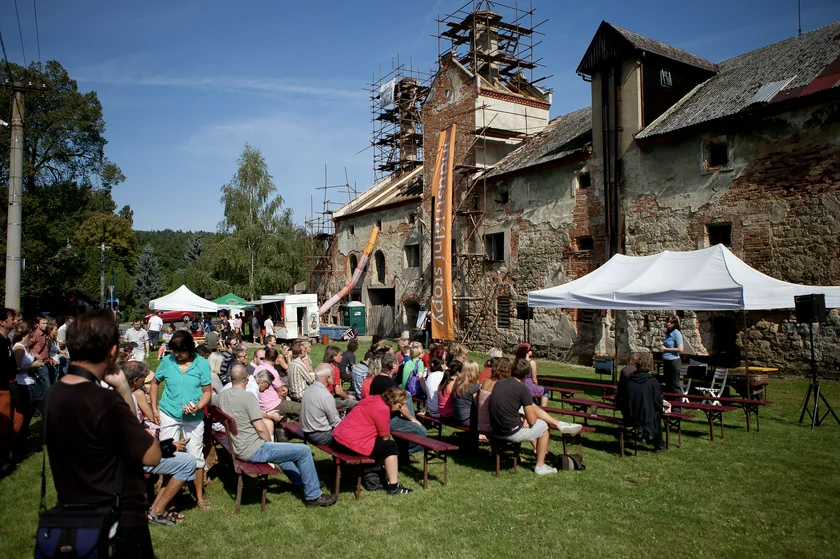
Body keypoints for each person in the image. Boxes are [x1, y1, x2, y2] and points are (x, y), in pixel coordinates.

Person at [44, 309, 162, 556]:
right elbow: (151, 455)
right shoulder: (105, 402)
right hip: (116, 520)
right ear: (112, 351)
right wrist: (123, 390)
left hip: (72, 514)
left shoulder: (53, 394)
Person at [212, 365, 337, 507]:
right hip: (252, 450)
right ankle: (313, 496)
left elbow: (210, 403)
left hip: (237, 447)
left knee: (283, 453)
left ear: (230, 379)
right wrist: (268, 442)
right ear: (247, 379)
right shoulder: (248, 397)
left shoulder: (222, 395)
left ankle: (303, 482)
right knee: (304, 451)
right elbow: (260, 429)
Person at [123, 361, 197, 526]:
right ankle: (157, 511)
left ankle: (158, 508)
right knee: (188, 462)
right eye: (143, 380)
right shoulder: (127, 401)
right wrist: (167, 447)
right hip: (133, 460)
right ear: (135, 381)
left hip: (132, 455)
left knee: (179, 456)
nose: (145, 383)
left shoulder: (123, 396)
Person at [150, 331, 212, 510]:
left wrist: (199, 406)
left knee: (196, 455)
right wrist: (154, 408)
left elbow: (207, 391)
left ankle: (199, 498)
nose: (176, 355)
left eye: (180, 351)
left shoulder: (202, 364)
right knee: (169, 455)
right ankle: (169, 499)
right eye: (174, 351)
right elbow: (155, 383)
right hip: (169, 412)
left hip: (194, 417)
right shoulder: (167, 362)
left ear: (190, 349)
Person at [488, 359, 581, 475]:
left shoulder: (499, 383)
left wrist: (522, 416)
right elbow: (532, 421)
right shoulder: (522, 389)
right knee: (544, 426)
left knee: (532, 406)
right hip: (509, 432)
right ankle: (540, 466)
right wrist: (526, 419)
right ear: (527, 375)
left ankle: (558, 423)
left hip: (495, 429)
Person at [331, 386, 413, 495]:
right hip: (350, 443)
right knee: (390, 446)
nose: (400, 408)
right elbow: (385, 436)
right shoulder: (382, 409)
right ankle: (394, 486)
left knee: (379, 445)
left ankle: (374, 473)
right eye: (400, 405)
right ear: (393, 402)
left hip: (337, 438)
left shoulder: (373, 399)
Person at [370, 353, 427, 463]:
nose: (398, 365)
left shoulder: (376, 380)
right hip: (389, 419)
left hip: (377, 416)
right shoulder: (391, 384)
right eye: (397, 363)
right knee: (422, 432)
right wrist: (413, 419)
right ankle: (404, 451)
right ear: (392, 365)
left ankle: (403, 450)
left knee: (407, 394)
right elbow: (401, 407)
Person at [616, 353, 670, 452]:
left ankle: (645, 436)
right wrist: (662, 407)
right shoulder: (653, 382)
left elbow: (620, 395)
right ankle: (659, 444)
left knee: (647, 410)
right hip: (644, 417)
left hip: (629, 413)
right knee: (655, 415)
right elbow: (657, 401)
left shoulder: (628, 378)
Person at [12, 320, 45, 460]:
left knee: (28, 415)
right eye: (32, 333)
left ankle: (24, 445)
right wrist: (33, 365)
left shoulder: (24, 347)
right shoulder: (19, 348)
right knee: (24, 418)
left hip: (29, 383)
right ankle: (20, 447)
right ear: (28, 332)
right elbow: (17, 368)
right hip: (23, 384)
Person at [300, 364, 342, 445]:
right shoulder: (326, 396)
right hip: (320, 435)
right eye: (333, 376)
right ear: (328, 378)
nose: (334, 378)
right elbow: (335, 422)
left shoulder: (308, 389)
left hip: (306, 431)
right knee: (349, 436)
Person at [255, 348, 302, 419]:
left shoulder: (258, 368)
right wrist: (284, 392)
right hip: (272, 404)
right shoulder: (272, 371)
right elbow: (280, 391)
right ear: (276, 359)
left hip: (262, 403)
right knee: (302, 408)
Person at [0, 308, 18, 473]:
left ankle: (6, 459)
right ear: (2, 321)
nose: (14, 320)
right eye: (11, 318)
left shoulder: (6, 341)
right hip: (2, 388)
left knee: (12, 424)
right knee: (3, 426)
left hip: (9, 386)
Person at [477, 357, 511, 436]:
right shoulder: (500, 385)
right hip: (492, 426)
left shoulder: (486, 382)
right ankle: (517, 447)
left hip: (481, 423)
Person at [323, 345, 357, 411]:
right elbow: (338, 391)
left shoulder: (322, 366)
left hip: (320, 398)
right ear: (334, 357)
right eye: (340, 355)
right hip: (330, 400)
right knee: (357, 403)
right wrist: (348, 397)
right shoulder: (335, 369)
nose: (342, 357)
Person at [514, 343, 549, 407]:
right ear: (527, 352)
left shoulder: (516, 362)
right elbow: (534, 379)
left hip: (518, 386)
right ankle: (543, 408)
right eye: (531, 349)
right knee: (545, 390)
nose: (532, 351)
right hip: (529, 387)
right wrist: (535, 385)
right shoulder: (532, 363)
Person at [660, 315, 684, 397]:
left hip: (673, 361)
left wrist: (665, 349)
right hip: (667, 360)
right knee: (668, 384)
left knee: (675, 385)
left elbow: (680, 349)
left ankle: (678, 407)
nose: (666, 323)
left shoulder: (676, 333)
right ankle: (669, 404)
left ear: (673, 323)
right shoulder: (668, 333)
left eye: (668, 322)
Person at [453, 360, 481, 426]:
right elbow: (478, 406)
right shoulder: (473, 387)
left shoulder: (457, 383)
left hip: (456, 417)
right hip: (466, 419)